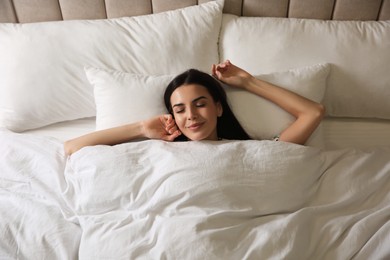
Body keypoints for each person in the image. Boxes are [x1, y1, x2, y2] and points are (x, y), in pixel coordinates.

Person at [64, 60, 324, 155]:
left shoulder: (252, 152)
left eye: (200, 104)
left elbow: (313, 113)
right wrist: (142, 128)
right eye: (180, 110)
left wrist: (248, 82)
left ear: (218, 108)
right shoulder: (158, 151)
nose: (191, 116)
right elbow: (72, 148)